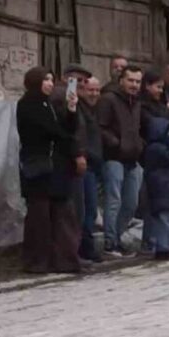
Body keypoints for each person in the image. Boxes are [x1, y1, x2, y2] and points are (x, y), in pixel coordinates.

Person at [16, 66, 82, 274]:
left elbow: (67, 129)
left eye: (52, 80)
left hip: (56, 167)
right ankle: (37, 262)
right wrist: (66, 136)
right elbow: (52, 131)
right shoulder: (28, 104)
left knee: (62, 215)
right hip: (39, 167)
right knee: (39, 218)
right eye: (45, 80)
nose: (50, 84)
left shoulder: (50, 105)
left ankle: (64, 260)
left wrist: (71, 110)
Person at [97, 65, 144, 257]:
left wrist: (139, 144)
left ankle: (117, 236)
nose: (134, 85)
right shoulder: (108, 99)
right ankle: (110, 242)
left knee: (131, 203)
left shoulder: (136, 102)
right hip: (113, 158)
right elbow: (101, 127)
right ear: (121, 80)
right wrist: (116, 143)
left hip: (132, 158)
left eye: (138, 81)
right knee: (114, 200)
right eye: (131, 80)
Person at [140, 74, 169, 261]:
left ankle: (166, 245)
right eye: (158, 87)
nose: (161, 91)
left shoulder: (160, 106)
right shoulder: (155, 146)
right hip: (160, 183)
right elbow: (157, 126)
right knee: (162, 216)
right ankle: (161, 246)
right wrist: (168, 115)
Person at [74, 76, 103, 262]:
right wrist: (82, 154)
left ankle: (87, 247)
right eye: (90, 90)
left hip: (93, 163)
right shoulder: (78, 110)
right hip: (83, 163)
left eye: (97, 90)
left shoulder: (93, 111)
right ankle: (83, 248)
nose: (94, 94)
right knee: (84, 208)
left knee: (91, 208)